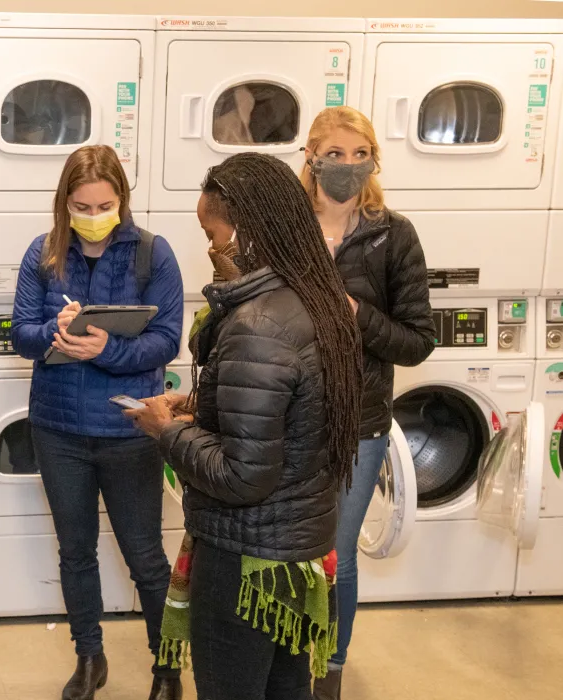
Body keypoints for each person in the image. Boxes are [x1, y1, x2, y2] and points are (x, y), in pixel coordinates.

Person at [127, 153, 364, 700]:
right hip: (300, 556)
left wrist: (166, 429)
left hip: (246, 563)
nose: (211, 247)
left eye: (212, 233)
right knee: (285, 690)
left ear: (245, 233)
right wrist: (208, 406)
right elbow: (293, 419)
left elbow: (241, 477)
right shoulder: (321, 302)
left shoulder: (256, 325)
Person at [11, 145, 185, 700]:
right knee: (76, 552)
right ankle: (90, 657)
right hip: (58, 430)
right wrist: (57, 333)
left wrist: (104, 349)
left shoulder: (153, 255)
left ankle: (167, 666)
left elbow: (166, 341)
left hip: (130, 431)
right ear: (64, 204)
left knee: (146, 559)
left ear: (122, 200)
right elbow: (20, 334)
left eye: (103, 204)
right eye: (80, 206)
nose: (92, 215)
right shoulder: (43, 253)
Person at [300, 106, 436, 699]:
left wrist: (358, 317)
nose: (348, 167)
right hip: (288, 417)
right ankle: (285, 658)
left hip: (358, 423)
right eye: (335, 154)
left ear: (374, 160)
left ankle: (330, 668)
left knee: (336, 555)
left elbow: (418, 342)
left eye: (360, 155)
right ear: (311, 157)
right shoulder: (286, 228)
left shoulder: (393, 234)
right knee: (285, 550)